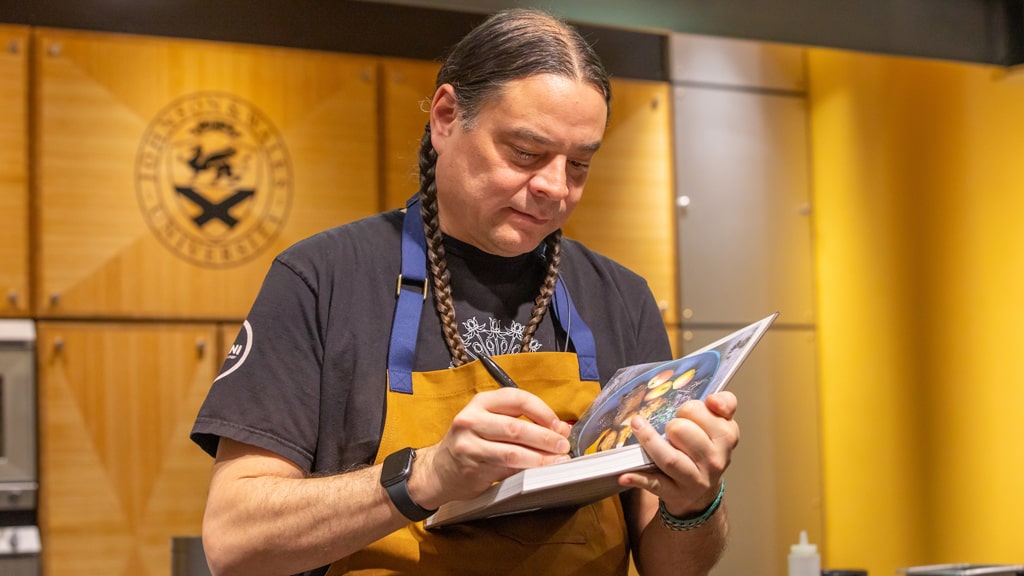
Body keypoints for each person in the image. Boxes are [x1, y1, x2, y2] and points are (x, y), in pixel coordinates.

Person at [191, 8, 740, 576]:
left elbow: (674, 567)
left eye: (579, 164)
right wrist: (427, 476)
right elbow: (235, 541)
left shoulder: (621, 298)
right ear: (447, 118)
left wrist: (694, 502)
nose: (555, 187)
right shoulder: (323, 279)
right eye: (525, 153)